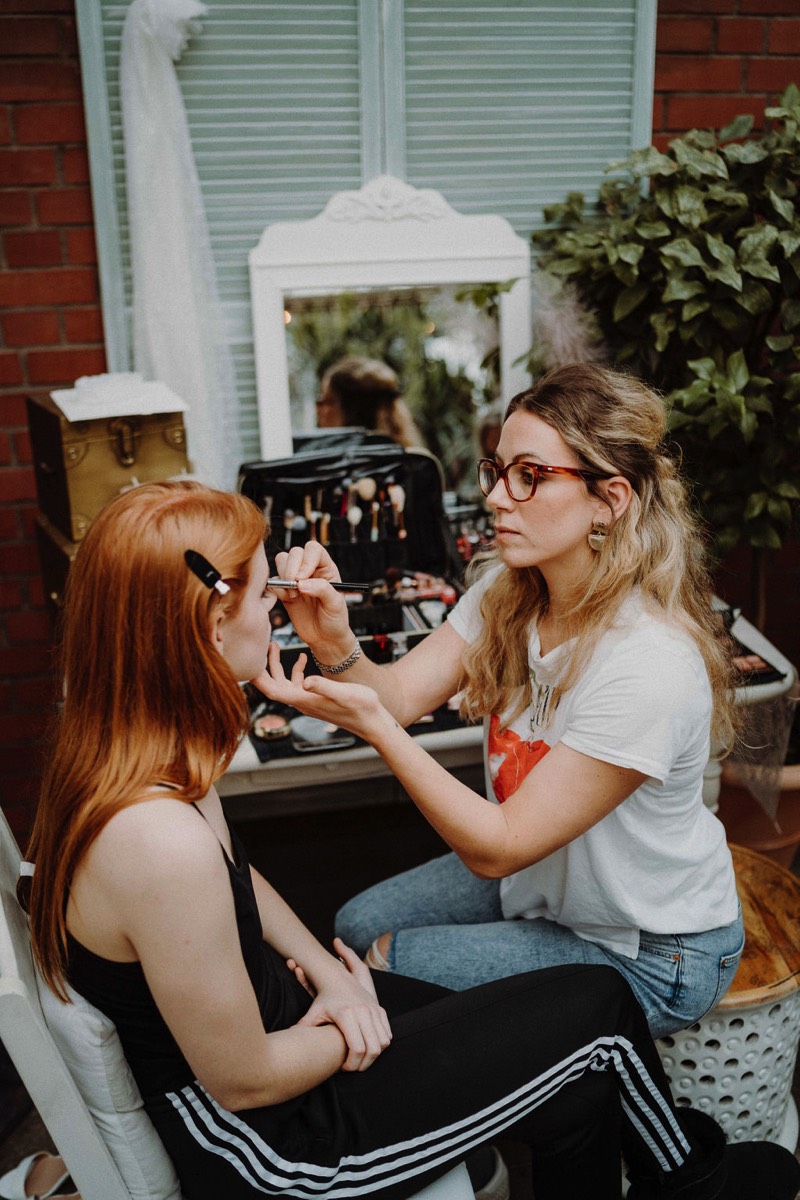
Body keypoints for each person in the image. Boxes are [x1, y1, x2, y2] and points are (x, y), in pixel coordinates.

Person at [22, 480, 800, 1200]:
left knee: (581, 1069)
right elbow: (245, 1082)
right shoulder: (156, 840)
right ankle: (698, 1184)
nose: (277, 606)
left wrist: (331, 973)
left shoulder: (138, 752)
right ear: (214, 621)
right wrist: (354, 1012)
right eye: (266, 591)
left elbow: (238, 883)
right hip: (277, 1150)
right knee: (595, 1005)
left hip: (288, 1029)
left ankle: (685, 1178)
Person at [256, 363, 746, 1041]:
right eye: (498, 471)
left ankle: (470, 1130)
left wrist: (378, 731)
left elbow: (500, 847)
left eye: (531, 475)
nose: (496, 498)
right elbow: (394, 696)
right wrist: (334, 640)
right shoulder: (510, 594)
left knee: (384, 965)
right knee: (353, 924)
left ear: (610, 498)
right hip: (552, 886)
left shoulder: (648, 666)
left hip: (653, 951)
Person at [316, 355, 424, 448]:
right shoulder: (413, 461)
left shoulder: (327, 464)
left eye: (327, 401)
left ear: (352, 411)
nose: (319, 408)